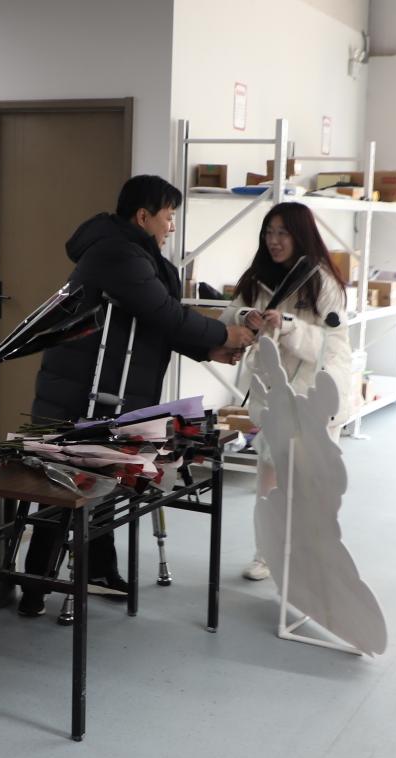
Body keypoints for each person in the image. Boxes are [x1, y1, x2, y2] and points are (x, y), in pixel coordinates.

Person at [18, 174, 255, 617]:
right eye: (168, 216)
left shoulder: (136, 254)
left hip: (109, 392)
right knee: (62, 487)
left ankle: (98, 570)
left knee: (104, 481)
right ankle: (36, 585)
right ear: (143, 217)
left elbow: (156, 324)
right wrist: (224, 335)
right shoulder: (117, 254)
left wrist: (210, 348)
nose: (171, 226)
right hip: (79, 394)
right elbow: (164, 312)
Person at [221, 201, 353, 581]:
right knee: (269, 477)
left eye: (282, 233)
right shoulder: (256, 277)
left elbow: (334, 346)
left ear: (300, 235)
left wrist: (290, 326)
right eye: (269, 232)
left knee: (311, 483)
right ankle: (267, 553)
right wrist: (246, 317)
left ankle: (310, 558)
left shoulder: (322, 281)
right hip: (274, 394)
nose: (274, 241)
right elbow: (228, 316)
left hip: (314, 396)